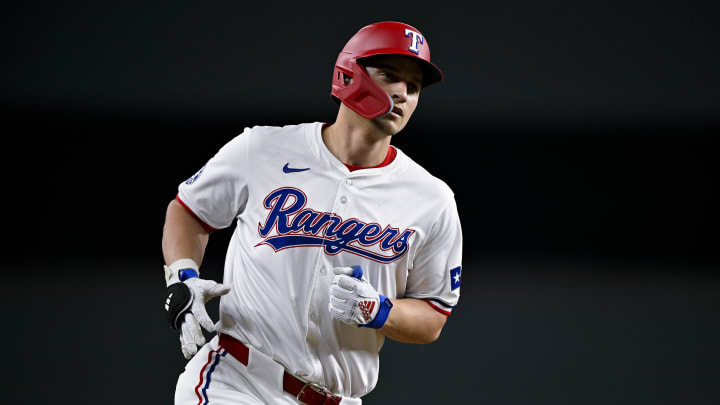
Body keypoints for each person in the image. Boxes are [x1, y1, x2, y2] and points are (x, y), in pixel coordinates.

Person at [162, 21, 463, 405]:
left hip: (338, 398)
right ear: (348, 73)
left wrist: (380, 310)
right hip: (237, 381)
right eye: (389, 75)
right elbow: (189, 210)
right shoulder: (262, 148)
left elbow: (433, 315)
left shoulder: (431, 198)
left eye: (414, 87)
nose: (402, 94)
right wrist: (183, 274)